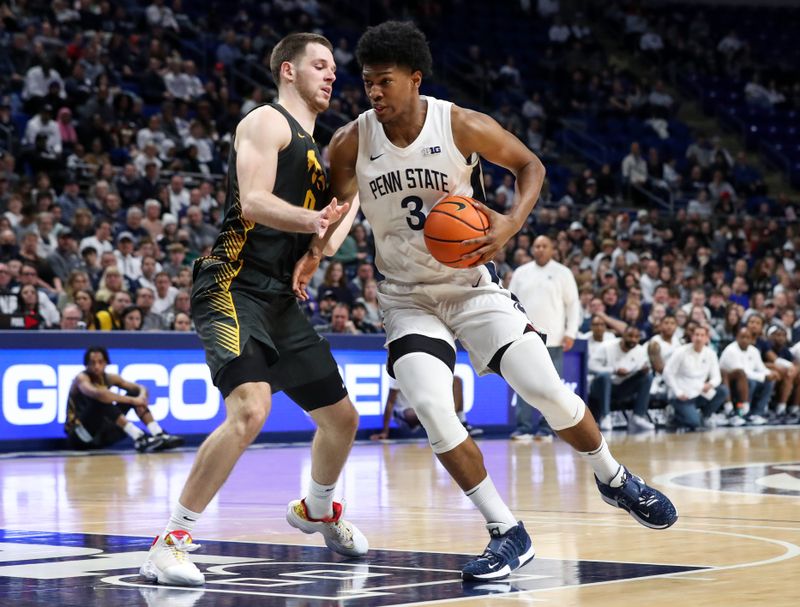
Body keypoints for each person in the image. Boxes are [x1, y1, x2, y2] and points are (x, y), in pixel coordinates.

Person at [292, 21, 676, 582]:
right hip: (406, 297)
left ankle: (614, 477)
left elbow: (530, 166)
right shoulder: (350, 141)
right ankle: (507, 532)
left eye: (385, 82)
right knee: (431, 407)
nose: (374, 92)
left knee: (546, 391)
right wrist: (316, 252)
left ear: (415, 79)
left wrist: (509, 225)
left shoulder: (459, 123)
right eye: (368, 82)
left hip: (472, 286)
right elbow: (341, 205)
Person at [141, 33, 367, 588]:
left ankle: (317, 509)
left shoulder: (322, 151)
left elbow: (331, 243)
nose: (331, 75)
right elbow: (254, 202)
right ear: (288, 70)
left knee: (342, 421)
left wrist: (359, 191)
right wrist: (314, 221)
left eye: (334, 68)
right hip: (232, 282)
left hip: (281, 298)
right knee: (251, 409)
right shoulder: (266, 123)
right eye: (320, 65)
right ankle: (170, 541)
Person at [508, 234, 580, 440]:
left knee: (550, 387)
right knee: (523, 384)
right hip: (523, 337)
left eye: (544, 245)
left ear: (552, 249)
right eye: (536, 245)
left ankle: (547, 429)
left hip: (554, 338)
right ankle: (523, 427)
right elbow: (510, 302)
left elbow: (573, 304)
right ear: (532, 249)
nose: (539, 249)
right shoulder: (521, 273)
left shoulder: (563, 273)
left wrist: (570, 332)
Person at [64, 346, 184, 451]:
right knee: (102, 398)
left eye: (100, 362)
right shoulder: (81, 379)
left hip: (101, 435)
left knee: (133, 393)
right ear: (86, 365)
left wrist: (141, 397)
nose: (97, 366)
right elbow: (99, 394)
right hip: (79, 436)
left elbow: (140, 388)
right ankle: (139, 437)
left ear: (106, 363)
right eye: (92, 363)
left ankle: (157, 433)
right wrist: (133, 400)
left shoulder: (110, 378)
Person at [370, 376, 481, 440]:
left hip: (427, 406)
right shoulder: (398, 368)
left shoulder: (428, 364)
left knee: (456, 380)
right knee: (420, 411)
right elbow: (390, 402)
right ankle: (439, 425)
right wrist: (385, 432)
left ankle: (461, 423)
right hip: (404, 412)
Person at [588, 325, 654, 431]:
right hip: (600, 387)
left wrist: (643, 370)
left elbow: (644, 367)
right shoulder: (607, 346)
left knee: (647, 377)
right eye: (630, 336)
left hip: (624, 386)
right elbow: (590, 366)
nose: (633, 339)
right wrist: (614, 370)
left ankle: (638, 416)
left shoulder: (641, 351)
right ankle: (605, 416)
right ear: (623, 335)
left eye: (637, 337)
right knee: (605, 376)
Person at [662, 324, 729, 429]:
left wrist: (710, 384)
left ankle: (705, 416)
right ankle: (674, 414)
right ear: (692, 337)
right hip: (682, 395)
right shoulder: (681, 352)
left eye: (702, 335)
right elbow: (667, 373)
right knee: (694, 424)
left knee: (723, 391)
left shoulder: (710, 353)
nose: (699, 338)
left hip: (699, 392)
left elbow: (717, 377)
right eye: (696, 335)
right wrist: (677, 392)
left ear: (707, 338)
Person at [719, 326, 776, 426]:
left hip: (748, 379)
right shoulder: (731, 351)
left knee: (769, 382)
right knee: (750, 382)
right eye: (742, 337)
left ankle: (756, 414)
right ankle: (740, 413)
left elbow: (761, 368)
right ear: (737, 337)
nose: (745, 340)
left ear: (751, 339)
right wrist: (763, 376)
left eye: (747, 337)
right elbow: (743, 373)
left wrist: (770, 374)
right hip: (730, 383)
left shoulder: (754, 350)